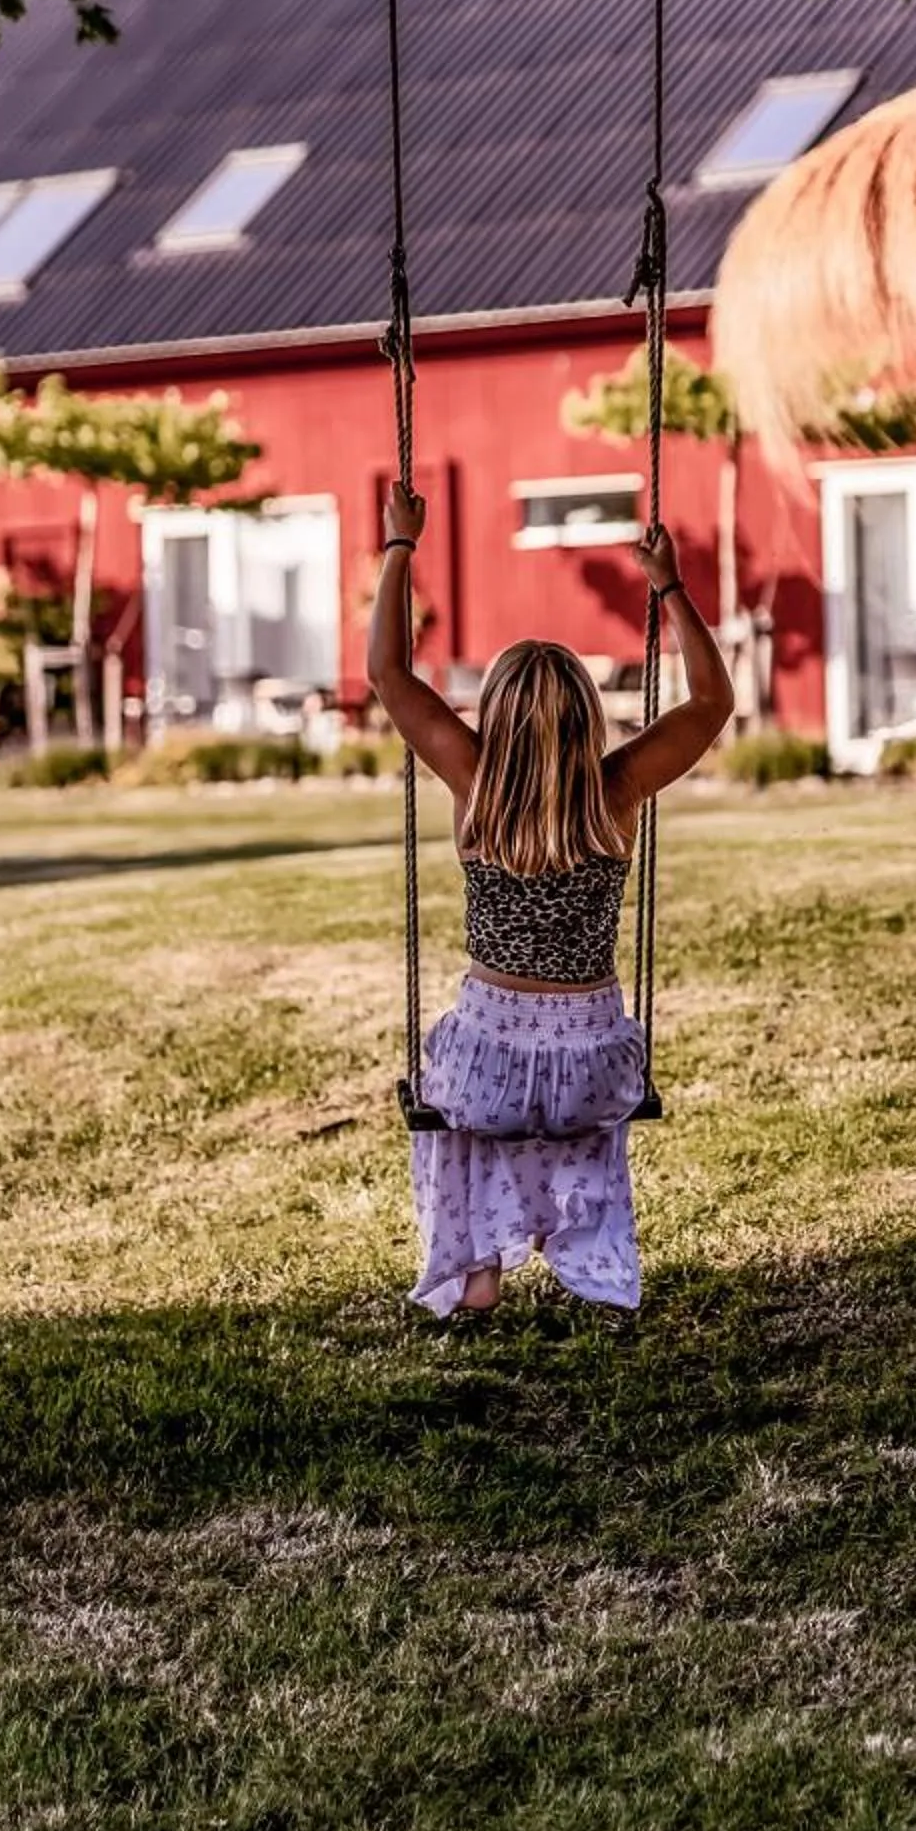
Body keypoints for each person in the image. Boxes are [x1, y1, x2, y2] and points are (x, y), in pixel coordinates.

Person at [367, 480, 735, 1318]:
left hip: (488, 1067)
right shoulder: (618, 789)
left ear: (493, 716)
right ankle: (585, 1257)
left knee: (457, 1101)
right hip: (596, 1070)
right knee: (561, 1108)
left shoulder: (474, 779)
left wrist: (401, 545)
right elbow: (712, 704)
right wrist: (670, 587)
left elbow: (387, 672)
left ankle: (475, 1274)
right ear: (585, 717)